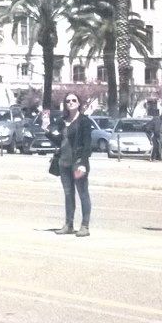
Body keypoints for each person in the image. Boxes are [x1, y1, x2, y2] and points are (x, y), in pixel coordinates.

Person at [52, 93, 95, 236]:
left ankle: (85, 226)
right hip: (64, 163)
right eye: (68, 101)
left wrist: (83, 162)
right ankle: (68, 225)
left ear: (79, 103)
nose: (70, 103)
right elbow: (60, 141)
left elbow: (87, 144)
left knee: (83, 193)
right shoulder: (62, 121)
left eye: (74, 100)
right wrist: (47, 132)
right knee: (68, 194)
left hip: (78, 164)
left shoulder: (84, 121)